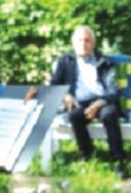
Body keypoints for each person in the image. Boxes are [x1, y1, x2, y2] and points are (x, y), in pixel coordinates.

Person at [50, 25, 126, 175]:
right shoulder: (65, 61)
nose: (83, 44)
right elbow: (54, 85)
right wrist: (65, 95)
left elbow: (115, 90)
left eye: (87, 40)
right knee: (74, 116)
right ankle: (86, 154)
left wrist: (99, 103)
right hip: (80, 103)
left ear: (93, 44)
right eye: (79, 40)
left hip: (103, 101)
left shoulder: (106, 62)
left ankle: (118, 160)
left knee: (109, 115)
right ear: (73, 43)